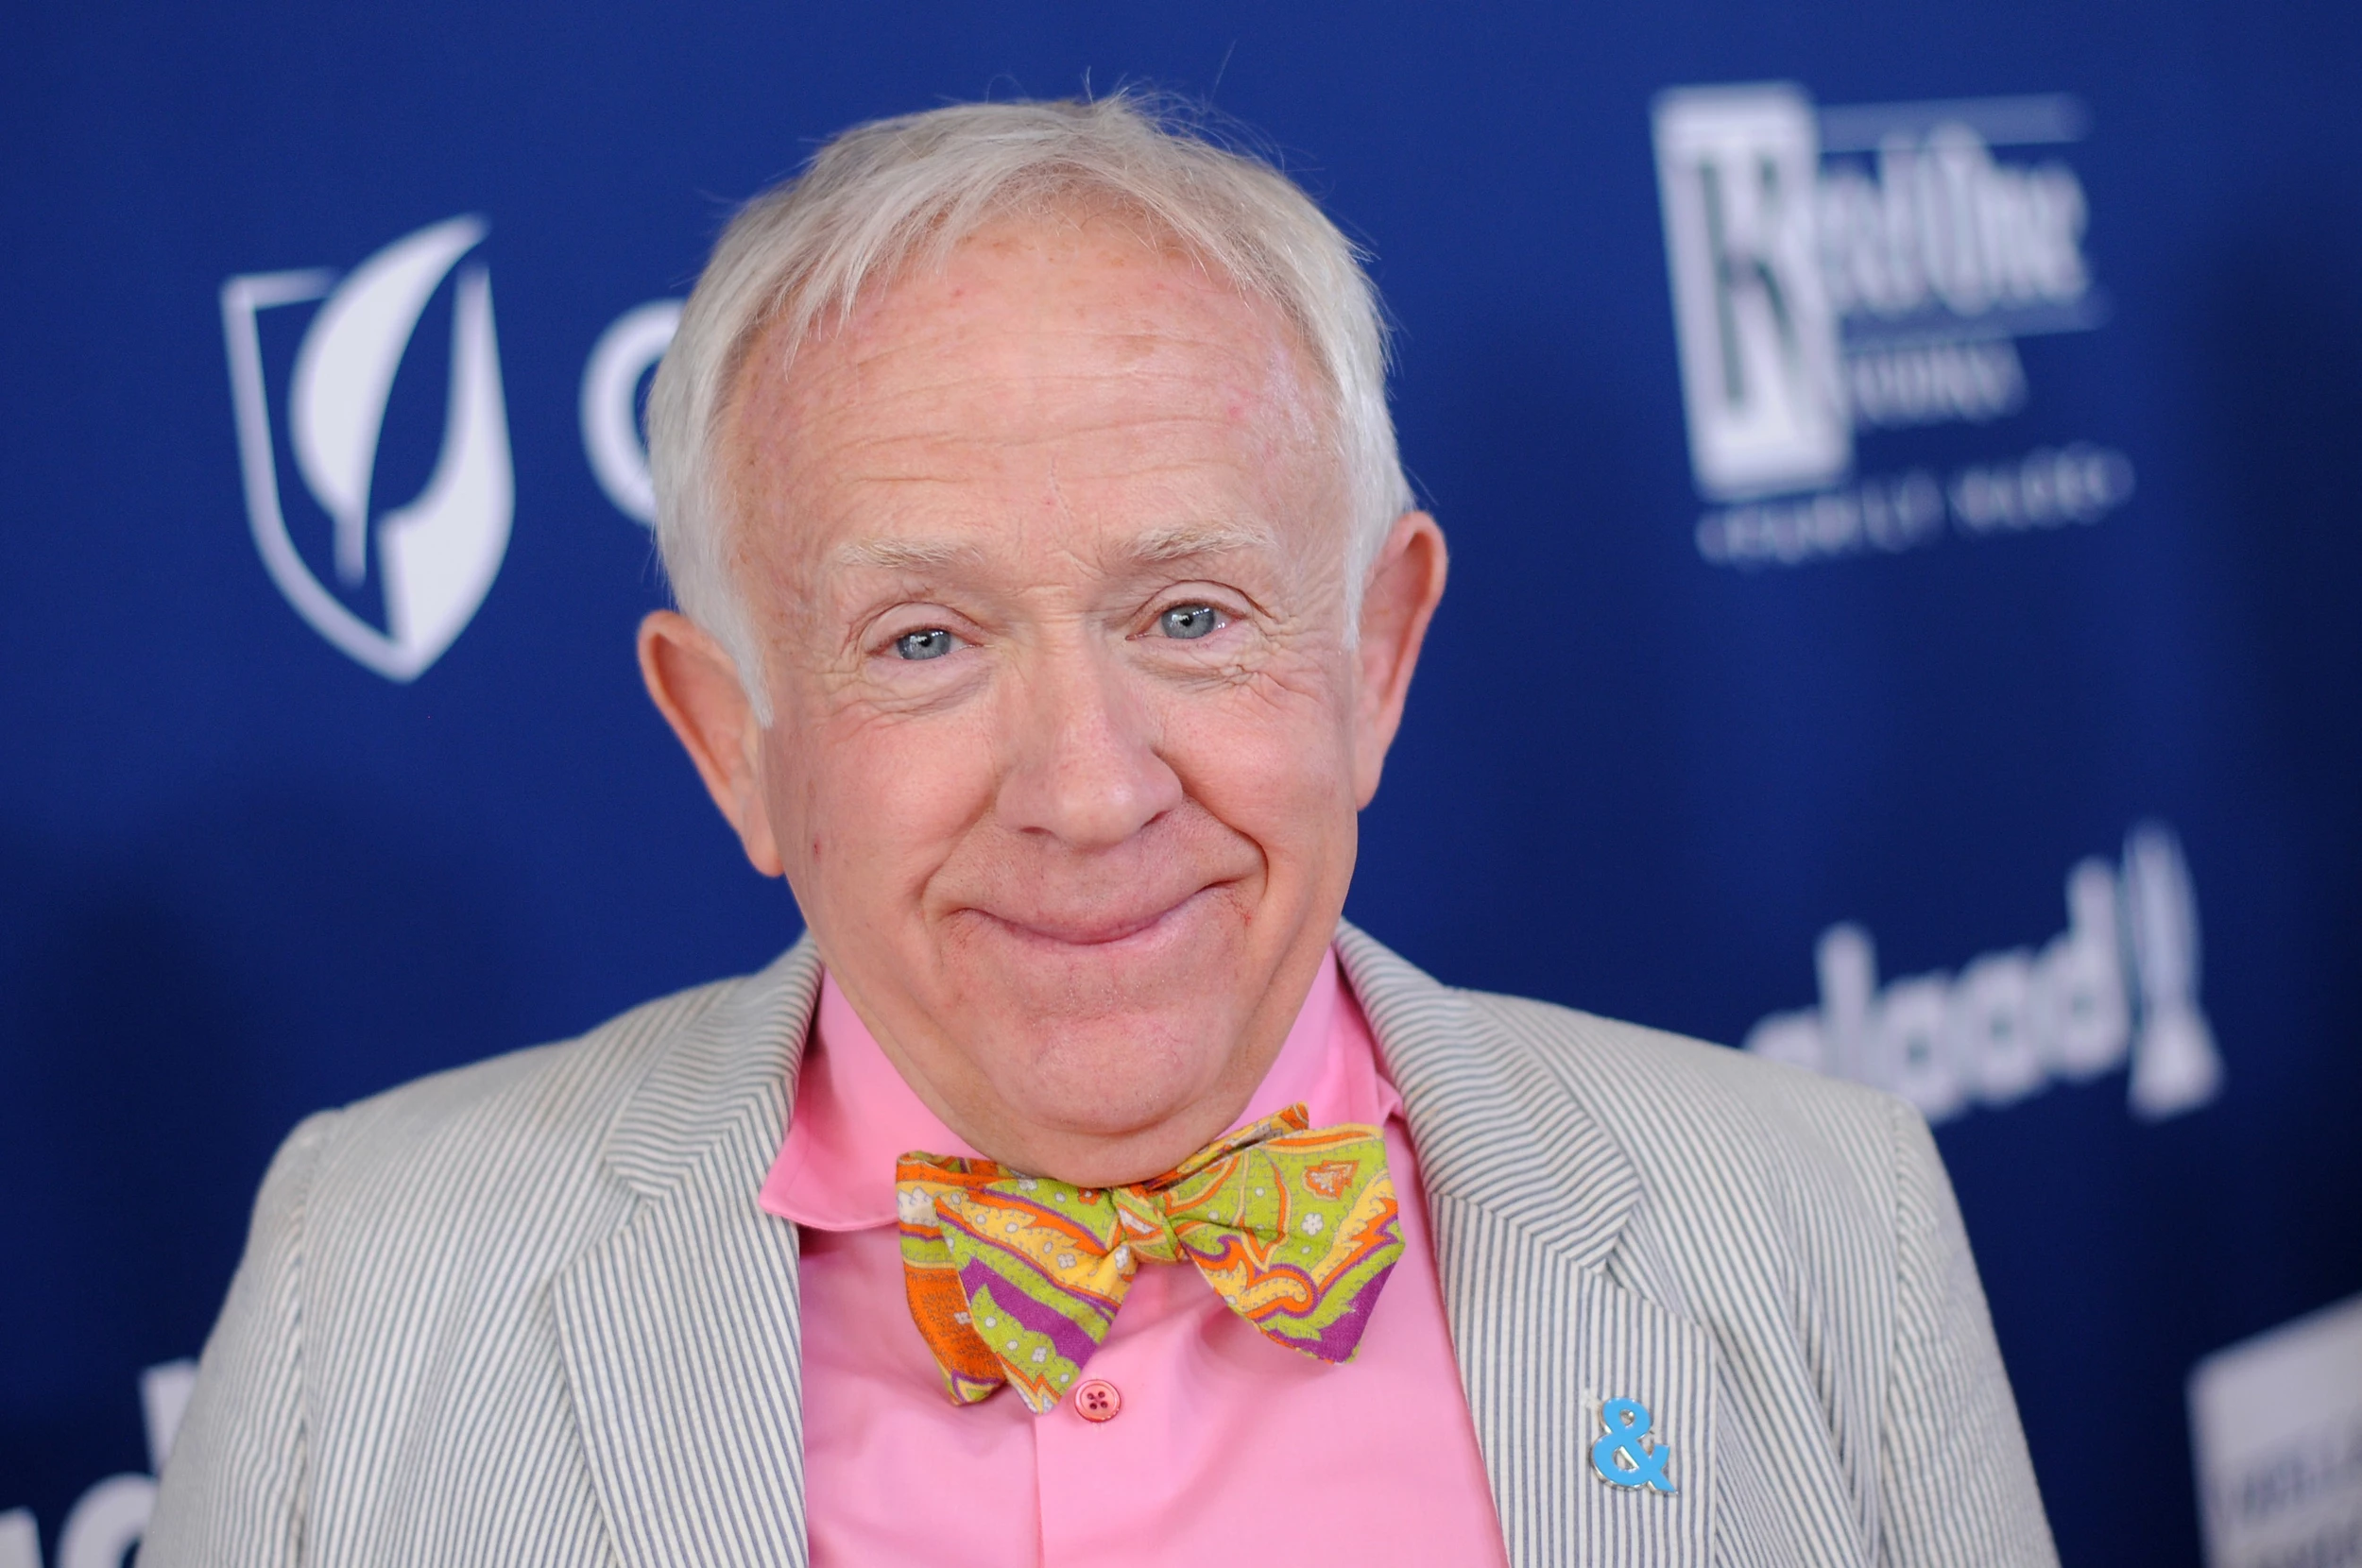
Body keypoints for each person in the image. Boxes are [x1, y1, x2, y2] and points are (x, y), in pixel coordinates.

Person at [144, 94, 2057, 1566]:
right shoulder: (368, 1277)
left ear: (1375, 656)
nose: (1085, 787)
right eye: (922, 637)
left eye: (1191, 614)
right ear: (733, 741)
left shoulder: (1827, 1225)